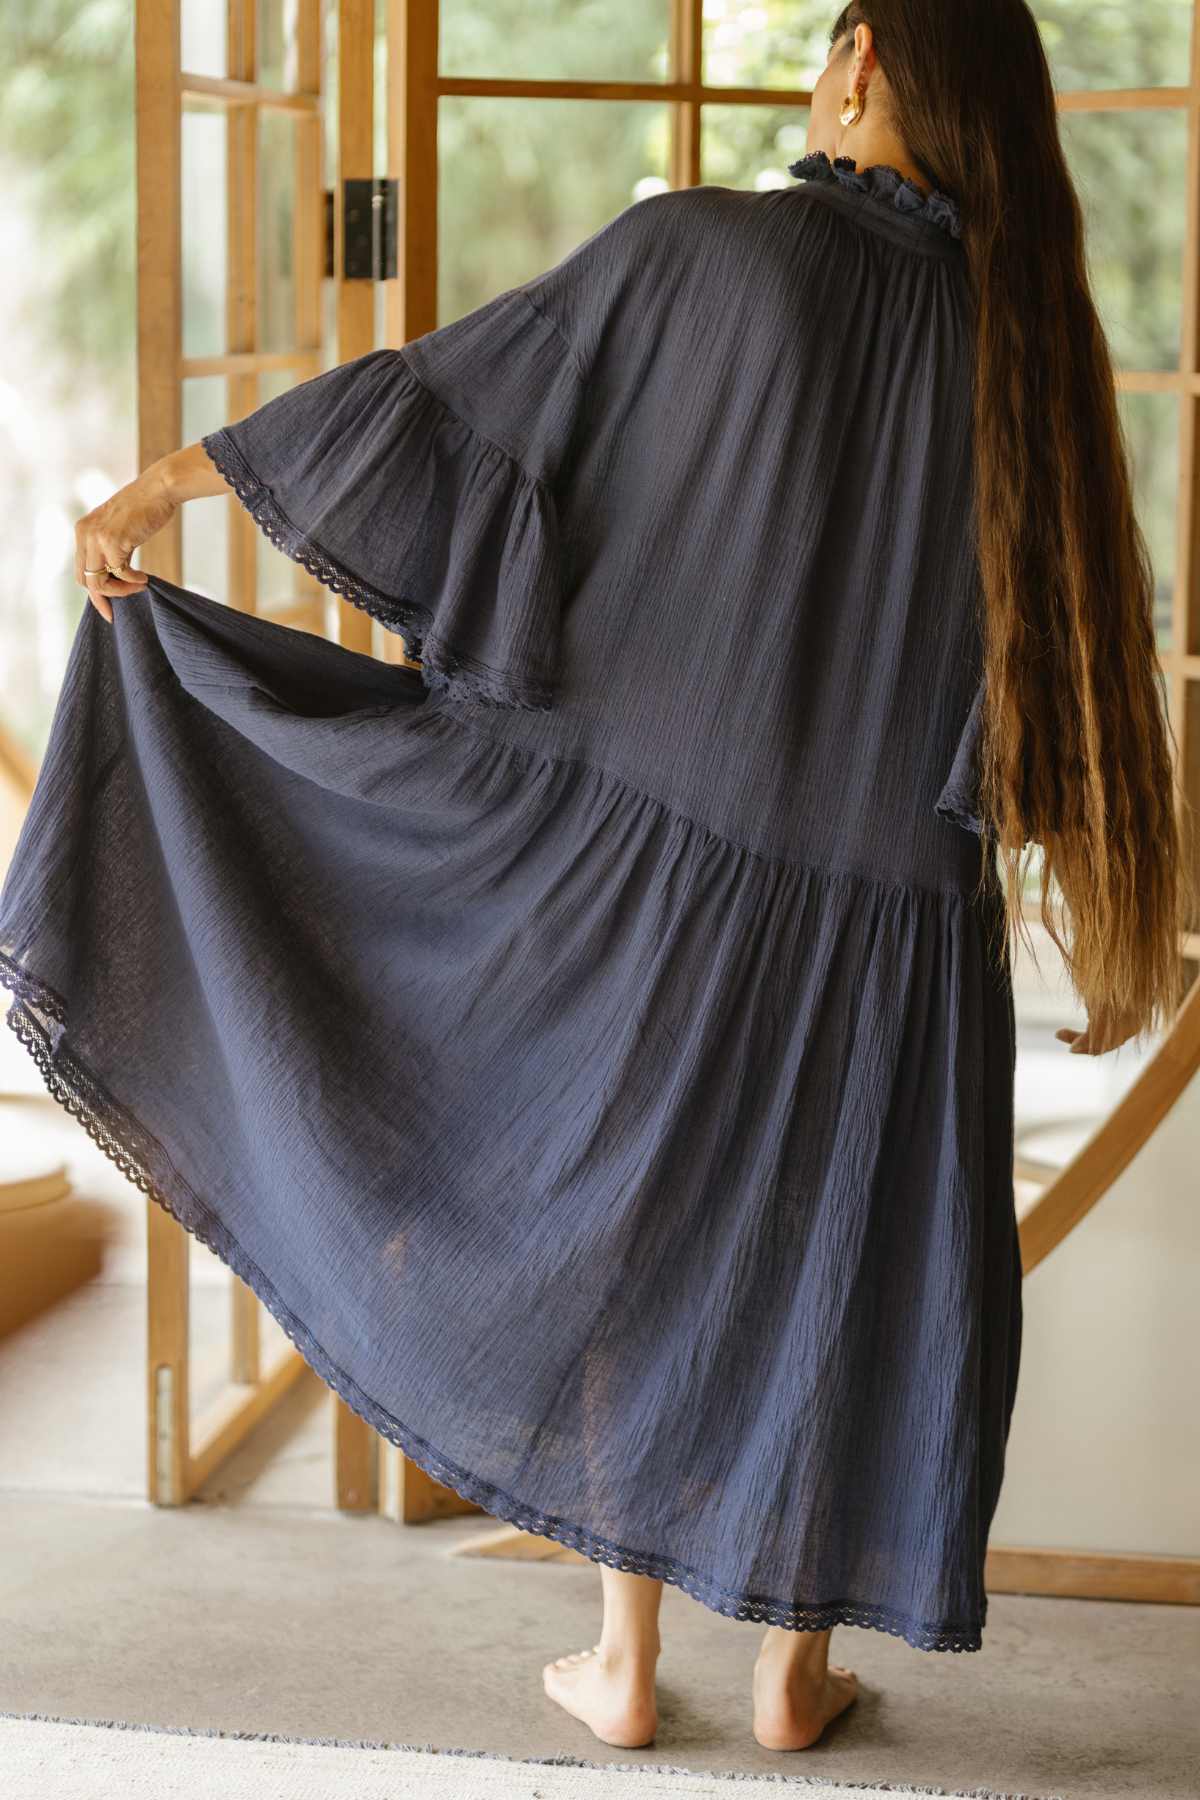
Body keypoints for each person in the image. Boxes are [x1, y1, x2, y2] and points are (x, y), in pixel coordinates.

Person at [2, 0, 1191, 1759]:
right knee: (829, 1254)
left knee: (629, 1223)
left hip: (647, 887)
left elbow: (445, 410)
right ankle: (792, 1672)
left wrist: (170, 490)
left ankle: (625, 1667)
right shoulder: (1031, 347)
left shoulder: (697, 253)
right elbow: (1063, 677)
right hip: (892, 918)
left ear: (857, 60)